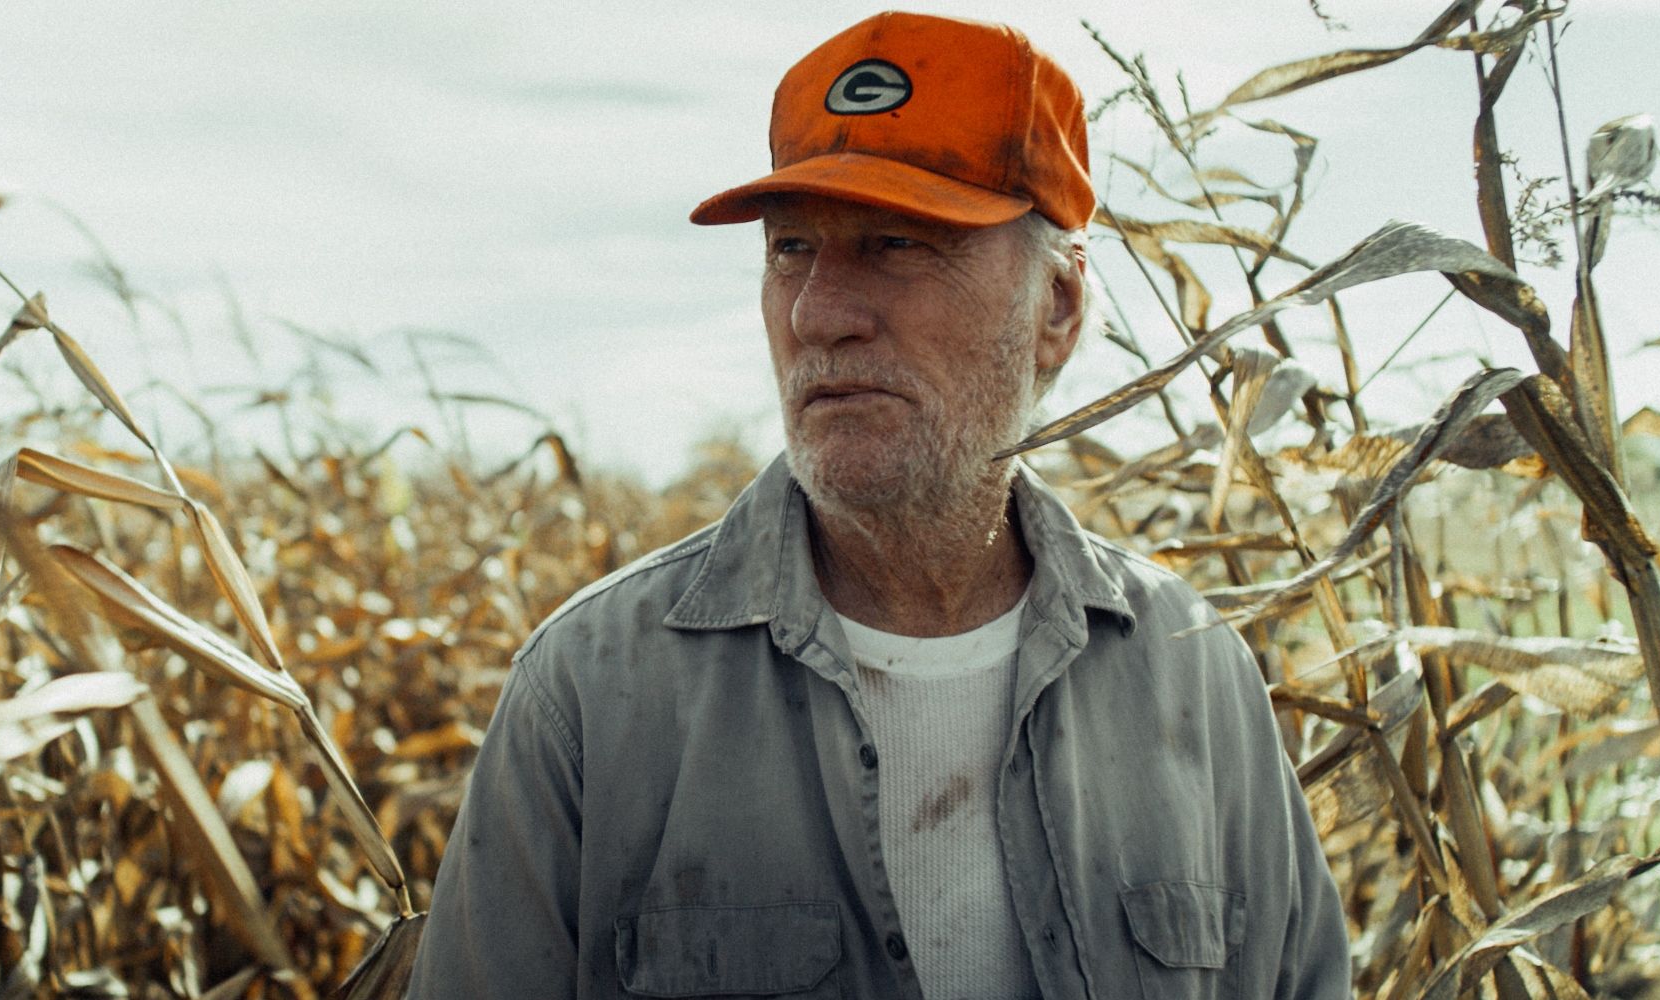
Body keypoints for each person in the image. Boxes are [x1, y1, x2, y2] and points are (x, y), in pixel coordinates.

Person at [408, 11, 1350, 999]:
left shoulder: (1193, 676)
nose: (817, 313)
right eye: (790, 250)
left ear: (1057, 308)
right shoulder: (591, 697)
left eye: (896, 243)